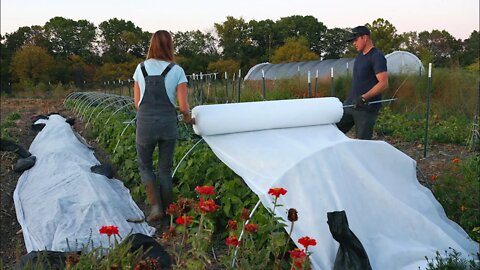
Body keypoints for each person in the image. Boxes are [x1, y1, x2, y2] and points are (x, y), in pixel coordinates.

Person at [132, 30, 193, 222]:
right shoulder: (177, 70)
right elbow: (183, 106)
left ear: (152, 45)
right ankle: (170, 211)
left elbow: (136, 102)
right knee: (165, 169)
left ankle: (156, 207)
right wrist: (187, 117)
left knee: (145, 166)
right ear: (170, 46)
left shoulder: (140, 68)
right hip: (167, 123)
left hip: (145, 124)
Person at [336, 26, 388, 140]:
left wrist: (364, 98)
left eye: (355, 40)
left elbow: (383, 83)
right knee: (333, 131)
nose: (353, 43)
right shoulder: (359, 56)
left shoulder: (377, 56)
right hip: (351, 104)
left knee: (362, 144)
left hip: (366, 109)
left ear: (364, 37)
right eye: (352, 41)